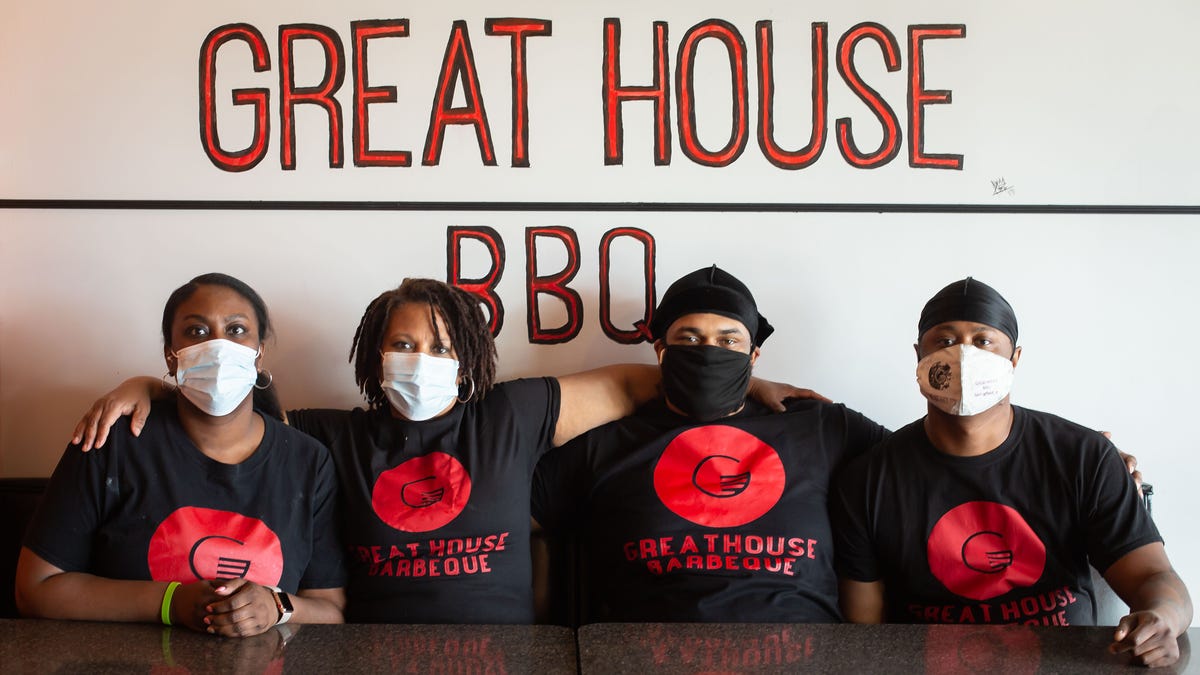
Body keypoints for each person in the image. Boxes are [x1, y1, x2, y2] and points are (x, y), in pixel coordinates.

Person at [71, 277, 815, 623]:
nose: (420, 358)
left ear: (471, 359)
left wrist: (747, 374)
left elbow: (632, 383)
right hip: (369, 654)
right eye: (402, 343)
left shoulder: (513, 413)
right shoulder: (331, 435)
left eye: (440, 345)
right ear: (373, 356)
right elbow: (222, 402)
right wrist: (148, 381)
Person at [832, 278, 1192, 668]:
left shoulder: (1083, 457)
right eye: (945, 341)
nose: (963, 355)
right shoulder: (869, 480)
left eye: (983, 341)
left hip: (1064, 662)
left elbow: (1153, 577)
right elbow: (863, 635)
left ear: (1014, 359)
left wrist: (1163, 620)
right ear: (919, 355)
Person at [531, 265, 887, 622]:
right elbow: (507, 510)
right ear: (661, 351)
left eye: (728, 341)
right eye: (690, 339)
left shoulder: (820, 427)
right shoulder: (607, 442)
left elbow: (919, 471)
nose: (709, 353)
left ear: (753, 357)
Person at [16, 273, 345, 636]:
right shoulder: (112, 441)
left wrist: (277, 606)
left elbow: (330, 608)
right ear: (171, 357)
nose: (219, 347)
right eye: (197, 332)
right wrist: (171, 602)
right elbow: (36, 589)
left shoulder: (308, 462)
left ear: (259, 354)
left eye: (236, 330)